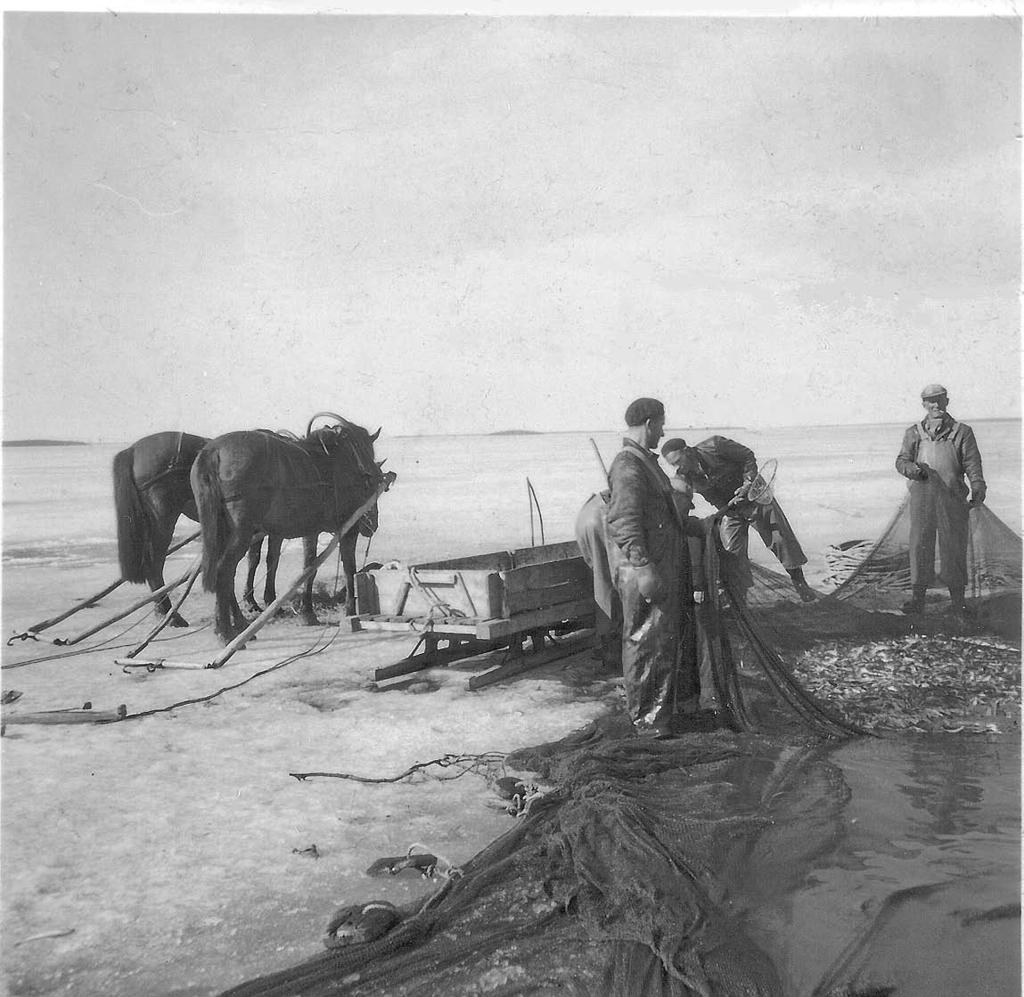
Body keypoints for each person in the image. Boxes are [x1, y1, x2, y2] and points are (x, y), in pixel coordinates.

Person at [604, 397, 703, 737]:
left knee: (660, 642)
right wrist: (644, 568)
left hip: (660, 566)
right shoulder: (628, 465)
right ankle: (648, 722)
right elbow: (622, 521)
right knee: (645, 643)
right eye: (660, 425)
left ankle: (659, 716)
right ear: (649, 423)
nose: (662, 433)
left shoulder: (645, 463)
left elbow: (658, 513)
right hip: (643, 570)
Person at [660, 436, 817, 603]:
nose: (678, 468)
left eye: (678, 461)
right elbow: (706, 496)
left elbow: (747, 456)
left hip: (756, 496)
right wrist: (727, 506)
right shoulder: (685, 476)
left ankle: (801, 586)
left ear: (687, 451)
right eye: (673, 465)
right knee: (731, 554)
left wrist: (747, 484)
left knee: (780, 540)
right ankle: (740, 602)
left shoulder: (715, 445)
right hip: (731, 509)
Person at [895, 384, 986, 620]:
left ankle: (958, 602)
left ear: (947, 401)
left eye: (939, 400)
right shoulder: (913, 432)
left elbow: (972, 465)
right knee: (919, 546)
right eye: (930, 401)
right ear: (923, 404)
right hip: (922, 499)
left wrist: (978, 486)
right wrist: (913, 470)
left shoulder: (962, 432)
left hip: (954, 499)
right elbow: (901, 461)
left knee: (954, 547)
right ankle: (918, 599)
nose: (935, 405)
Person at [573, 490, 622, 670]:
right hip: (601, 516)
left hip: (588, 514)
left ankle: (606, 644)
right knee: (609, 586)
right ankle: (611, 651)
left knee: (602, 583)